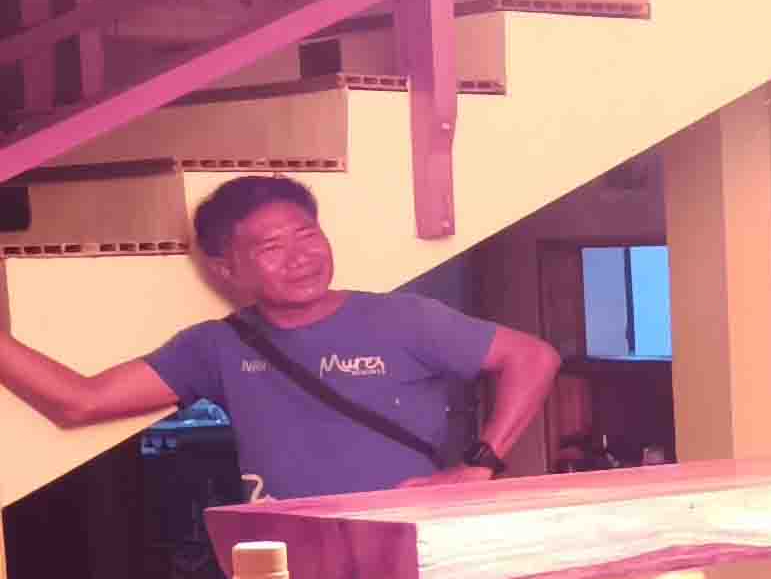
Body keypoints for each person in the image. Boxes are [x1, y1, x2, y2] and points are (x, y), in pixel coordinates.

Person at [0, 174, 558, 497]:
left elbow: (533, 358)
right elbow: (79, 402)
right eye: (271, 248)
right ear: (225, 269)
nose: (301, 257)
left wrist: (481, 463)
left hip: (411, 546)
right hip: (292, 564)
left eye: (307, 234)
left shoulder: (404, 319)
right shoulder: (215, 348)